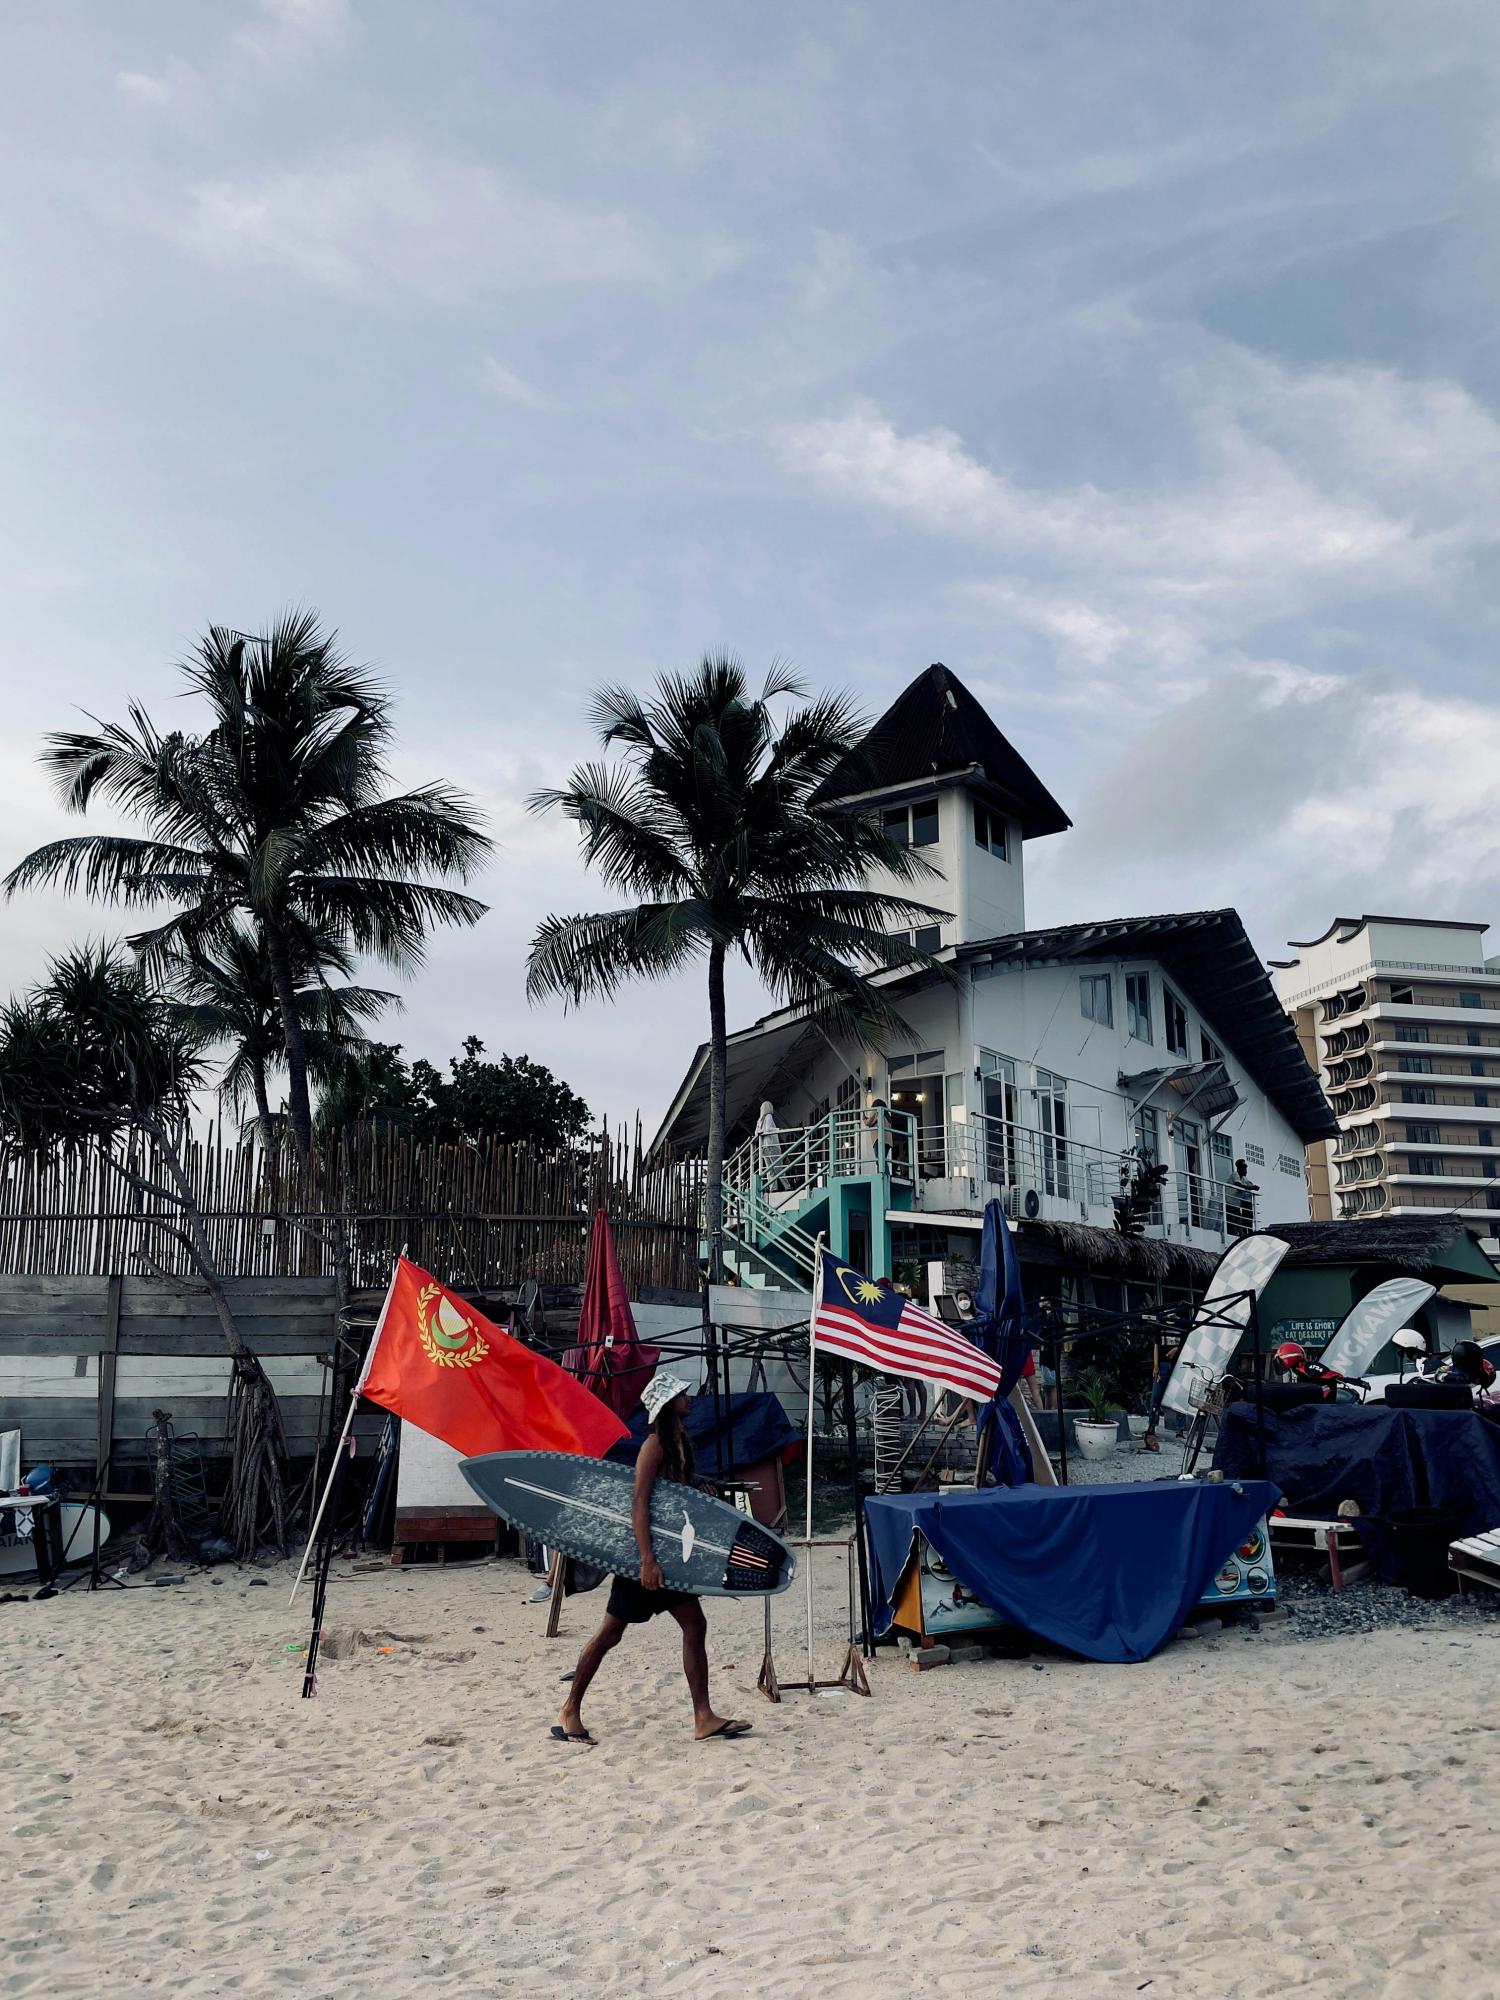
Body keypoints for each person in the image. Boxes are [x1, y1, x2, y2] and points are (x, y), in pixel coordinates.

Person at [555, 1372, 752, 1746]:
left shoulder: (678, 1442)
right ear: (666, 1404)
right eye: (680, 1393)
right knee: (610, 1634)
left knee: (695, 1625)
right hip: (645, 1563)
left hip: (668, 1559)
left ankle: (703, 1717)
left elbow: (670, 1497)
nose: (687, 1396)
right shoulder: (654, 1445)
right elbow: (639, 1504)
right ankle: (569, 1708)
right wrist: (646, 1561)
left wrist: (697, 1485)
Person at [1140, 1332, 1182, 1451]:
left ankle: (1180, 1428)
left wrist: (1176, 1349)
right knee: (1156, 1397)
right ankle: (1152, 1425)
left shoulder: (1181, 1325)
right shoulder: (1161, 1325)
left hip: (1177, 1364)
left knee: (1178, 1395)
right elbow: (1156, 1345)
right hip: (1163, 1364)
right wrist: (1156, 1365)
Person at [755, 1099, 783, 1191]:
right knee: (778, 1167)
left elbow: (756, 1133)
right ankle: (787, 1186)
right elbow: (768, 1129)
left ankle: (773, 1187)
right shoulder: (768, 1116)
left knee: (769, 1169)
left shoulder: (759, 1120)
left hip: (763, 1147)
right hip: (772, 1145)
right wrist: (778, 1130)